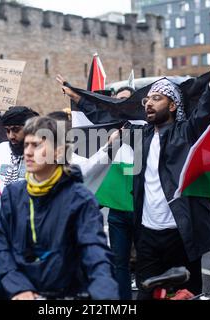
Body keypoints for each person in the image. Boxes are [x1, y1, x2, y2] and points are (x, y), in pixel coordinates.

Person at [127, 50, 210, 299]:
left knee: (185, 294)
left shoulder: (185, 133)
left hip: (180, 233)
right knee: (146, 295)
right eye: (147, 100)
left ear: (173, 105)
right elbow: (113, 115)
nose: (149, 103)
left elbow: (203, 116)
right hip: (147, 235)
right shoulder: (143, 137)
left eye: (157, 98)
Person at [0, 116, 119, 300]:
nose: (27, 152)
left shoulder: (80, 199)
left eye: (36, 145)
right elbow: (1, 248)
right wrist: (18, 288)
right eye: (26, 145)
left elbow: (94, 252)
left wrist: (105, 295)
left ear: (58, 152)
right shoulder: (12, 195)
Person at [57, 77, 137, 299]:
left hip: (144, 209)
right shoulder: (109, 128)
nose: (121, 105)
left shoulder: (148, 127)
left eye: (127, 101)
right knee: (119, 262)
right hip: (117, 208)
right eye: (118, 101)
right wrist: (77, 97)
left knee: (148, 263)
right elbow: (96, 114)